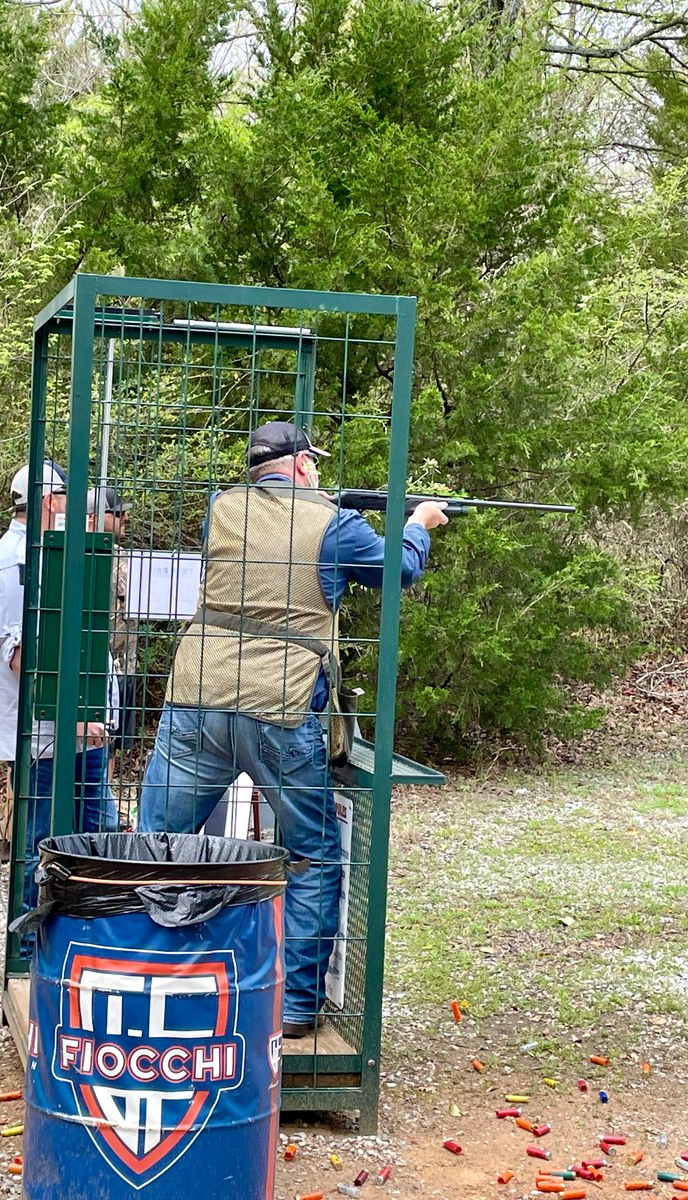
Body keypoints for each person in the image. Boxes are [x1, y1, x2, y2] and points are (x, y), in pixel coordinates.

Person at [138, 421, 448, 1037]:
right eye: (315, 465)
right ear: (304, 464)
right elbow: (399, 572)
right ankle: (296, 1008)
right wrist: (418, 524)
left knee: (157, 845)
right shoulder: (333, 525)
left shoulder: (219, 509)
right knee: (309, 854)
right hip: (278, 707)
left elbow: (266, 548)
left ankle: (141, 974)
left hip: (198, 695)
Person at [0, 460, 117, 922]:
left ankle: (89, 929)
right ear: (48, 501)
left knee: (96, 834)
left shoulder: (42, 553)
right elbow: (23, 659)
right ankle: (36, 943)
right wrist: (75, 716)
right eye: (67, 500)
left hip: (75, 730)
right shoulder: (13, 565)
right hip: (46, 737)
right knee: (43, 843)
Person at [86, 487, 138, 752]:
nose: (124, 517)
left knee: (111, 746)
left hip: (123, 666)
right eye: (117, 512)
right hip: (98, 665)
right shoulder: (78, 555)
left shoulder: (125, 557)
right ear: (94, 516)